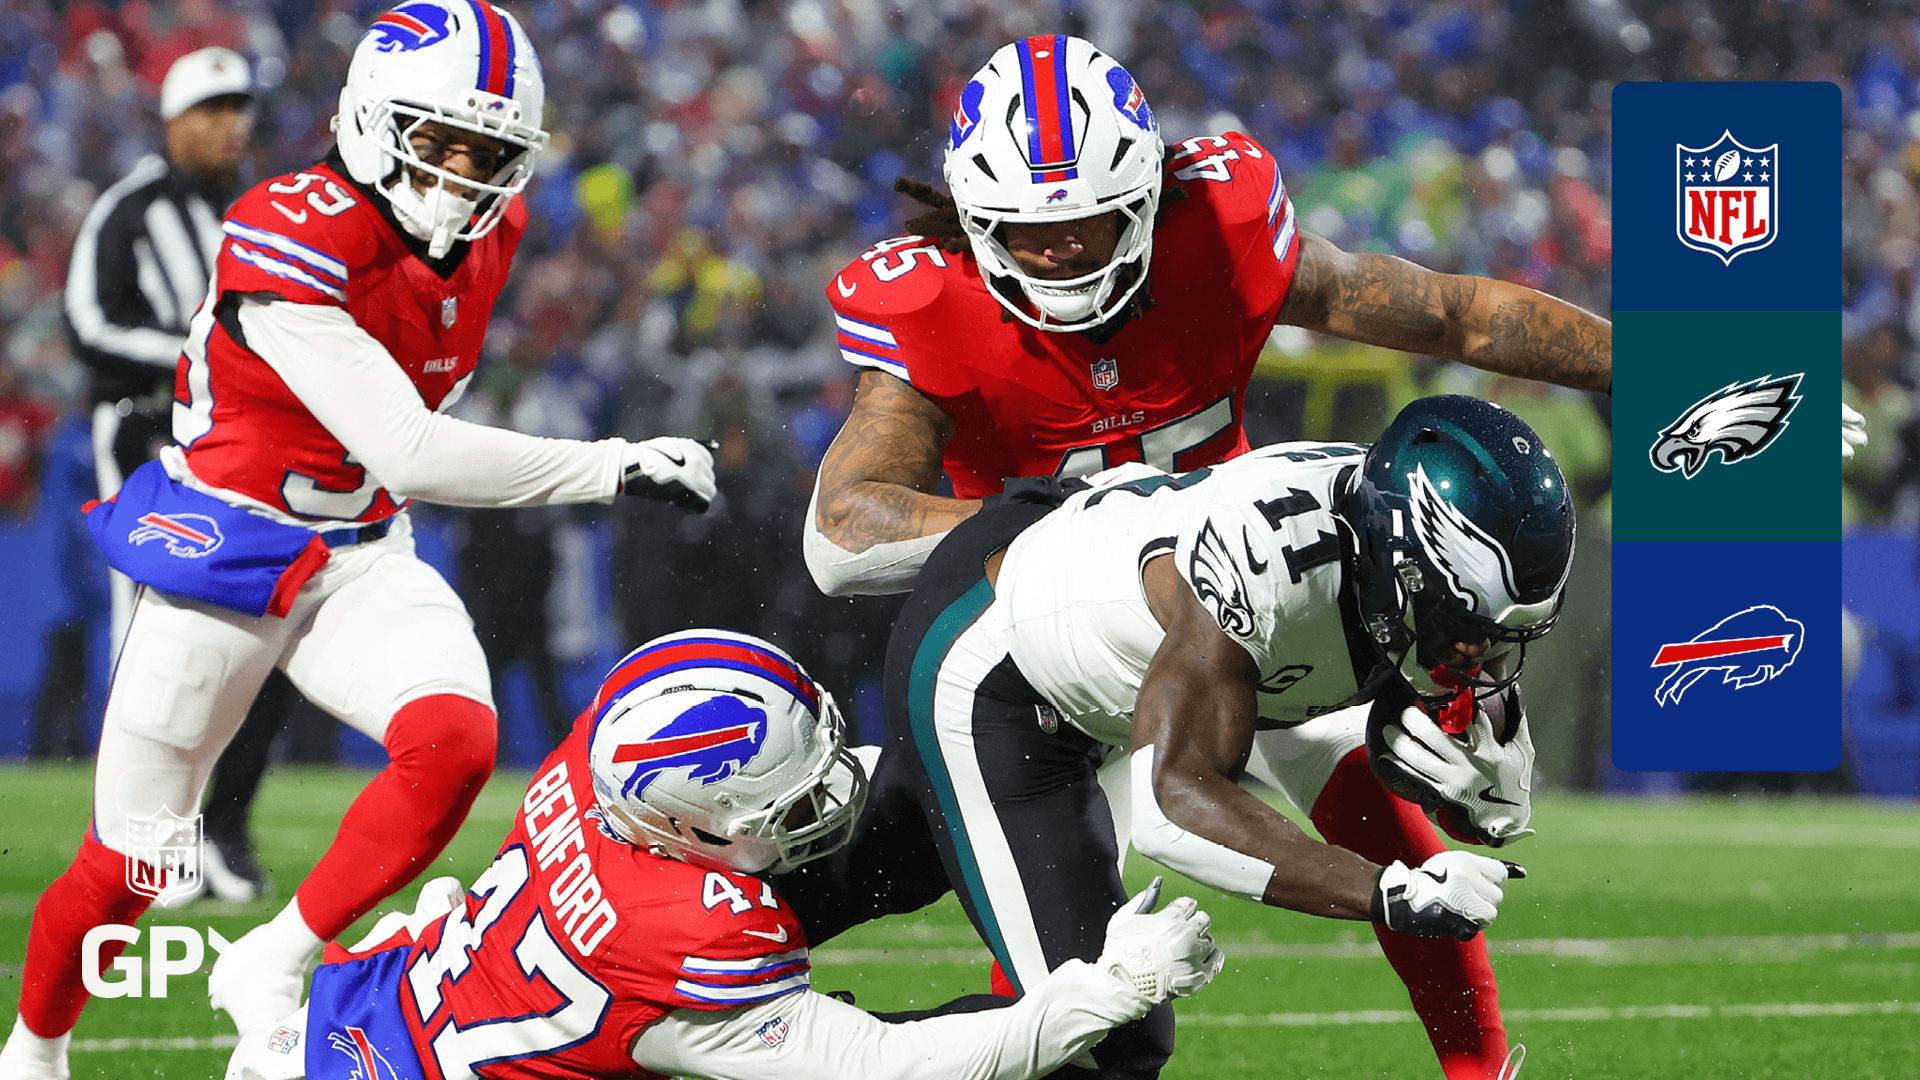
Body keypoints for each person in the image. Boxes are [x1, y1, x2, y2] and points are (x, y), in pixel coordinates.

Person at [800, 36, 1607, 1079]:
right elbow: (844, 531)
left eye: (1091, 221)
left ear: (1146, 197)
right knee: (1022, 946)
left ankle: (1480, 1071)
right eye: (1032, 230)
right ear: (979, 220)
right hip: (1051, 630)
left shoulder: (1216, 232)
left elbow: (1454, 314)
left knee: (1389, 807)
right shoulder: (934, 307)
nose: (1064, 252)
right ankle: (740, 1015)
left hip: (1250, 589)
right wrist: (1086, 524)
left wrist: (1657, 364)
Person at [0, 6, 719, 1077]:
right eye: (441, 141)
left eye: (490, 151)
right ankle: (34, 1050)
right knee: (133, 868)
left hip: (361, 547)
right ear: (374, 121)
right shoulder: (289, 226)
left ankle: (272, 956)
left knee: (455, 743)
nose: (464, 173)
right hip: (227, 551)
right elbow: (409, 446)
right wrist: (611, 464)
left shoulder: (493, 232)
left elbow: (409, 437)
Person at [778, 396, 1562, 1080]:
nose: (1481, 661)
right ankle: (787, 1055)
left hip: (1092, 654)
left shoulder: (1391, 545)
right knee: (1106, 1038)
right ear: (1402, 565)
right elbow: (1172, 801)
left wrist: (1473, 784)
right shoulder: (1271, 572)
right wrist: (1383, 892)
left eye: (1502, 639)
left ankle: (711, 959)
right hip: (996, 665)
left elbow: (1415, 768)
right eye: (1465, 627)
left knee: (897, 860)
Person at [221, 630, 1225, 1080]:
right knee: (1042, 1060)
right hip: (378, 1048)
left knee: (899, 820)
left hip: (351, 1029)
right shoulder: (678, 933)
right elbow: (895, 1068)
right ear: (685, 827)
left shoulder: (611, 763)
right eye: (791, 796)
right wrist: (1110, 988)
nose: (828, 792)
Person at [58, 44, 287, 904]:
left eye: (241, 110)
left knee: (265, 627)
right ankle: (143, 838)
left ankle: (221, 827)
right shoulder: (129, 209)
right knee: (148, 629)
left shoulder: (259, 214)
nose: (233, 126)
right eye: (213, 110)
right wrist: (200, 352)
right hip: (144, 436)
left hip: (237, 443)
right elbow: (88, 325)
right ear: (174, 121)